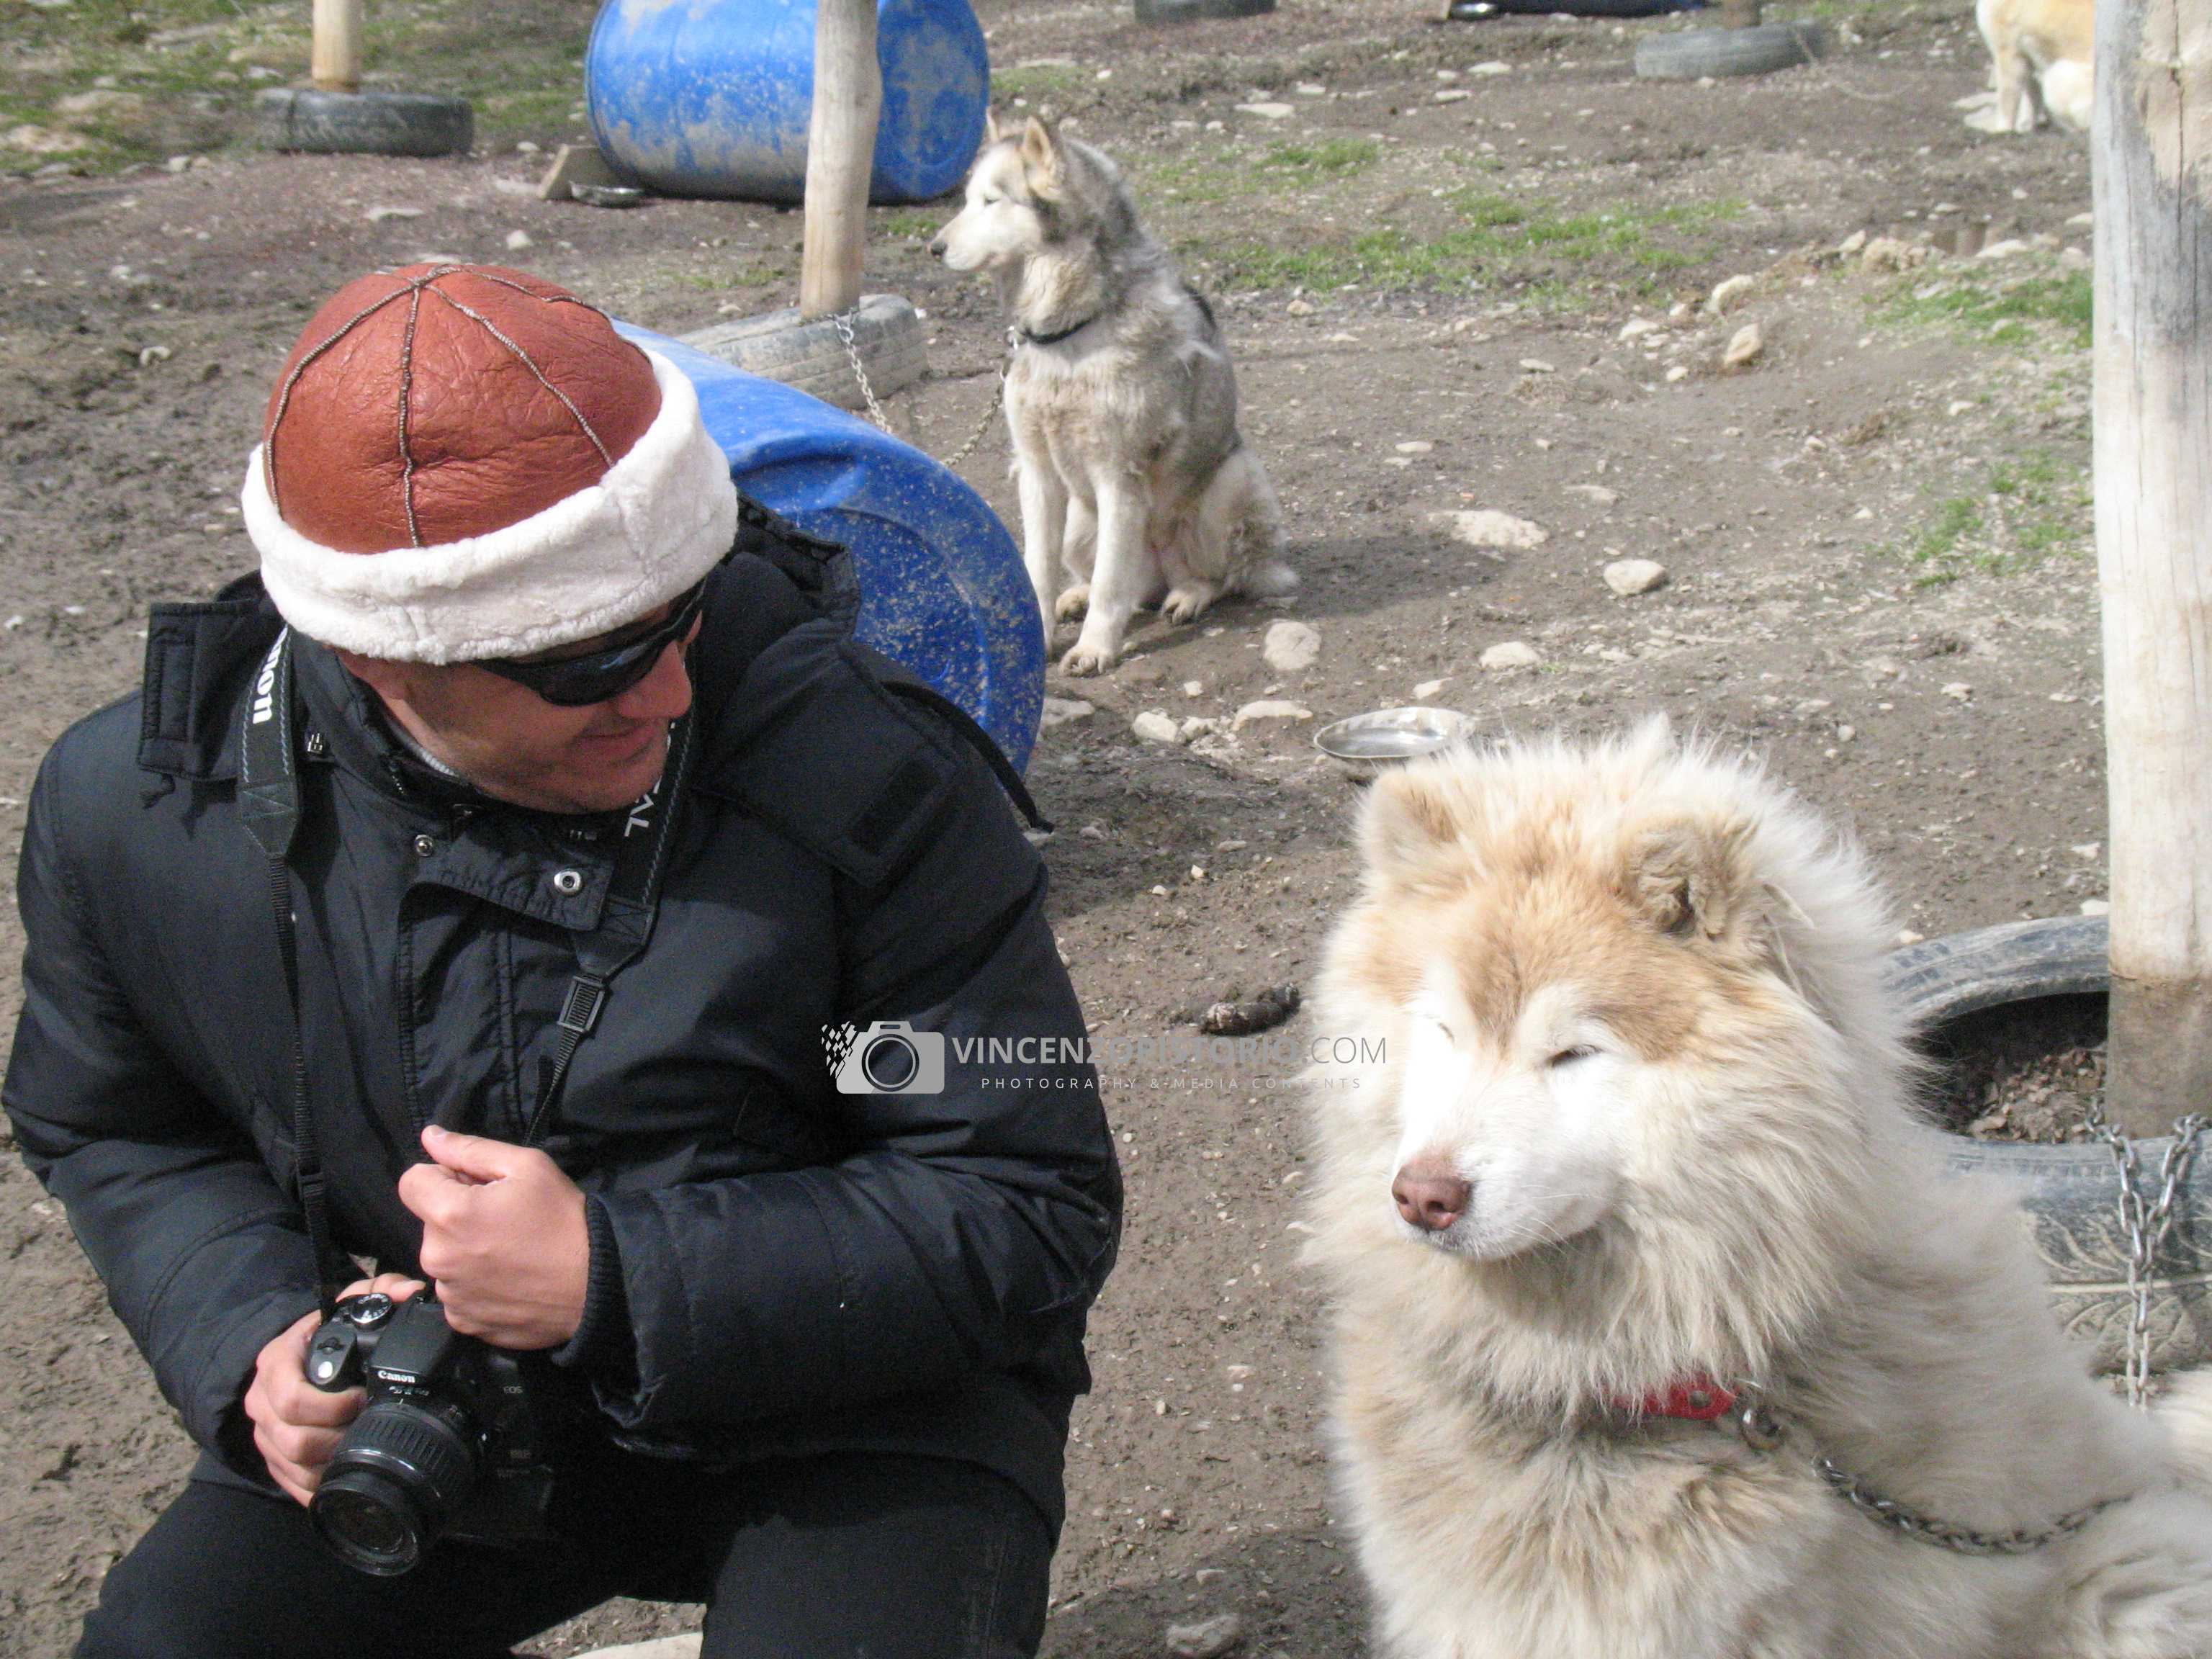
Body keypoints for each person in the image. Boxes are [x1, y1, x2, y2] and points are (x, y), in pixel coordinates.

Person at [4, 264, 1121, 1659]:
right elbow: (109, 1123)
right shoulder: (147, 811)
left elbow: (1028, 1197)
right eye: (585, 665)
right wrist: (255, 1344)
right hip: (461, 1404)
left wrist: (616, 1273)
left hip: (865, 1397)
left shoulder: (868, 782)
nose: (663, 693)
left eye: (681, 614)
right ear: (379, 659)